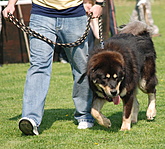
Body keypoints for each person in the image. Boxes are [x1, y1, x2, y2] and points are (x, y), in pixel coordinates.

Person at [2, 0, 105, 135]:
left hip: (74, 15)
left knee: (82, 67)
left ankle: (85, 114)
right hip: (41, 15)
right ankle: (30, 118)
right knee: (38, 66)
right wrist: (11, 4)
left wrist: (99, 4)